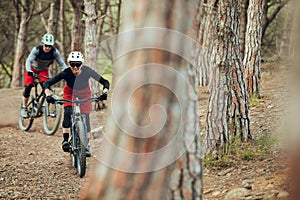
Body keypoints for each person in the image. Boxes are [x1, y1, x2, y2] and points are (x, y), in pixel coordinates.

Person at [43, 51, 110, 156]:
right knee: (68, 112)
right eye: (72, 64)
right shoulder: (66, 72)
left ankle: (86, 146)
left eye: (78, 64)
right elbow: (47, 83)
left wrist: (105, 92)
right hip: (70, 92)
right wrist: (48, 94)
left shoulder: (87, 71)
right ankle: (65, 140)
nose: (75, 67)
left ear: (81, 64)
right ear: (69, 64)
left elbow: (105, 82)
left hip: (85, 93)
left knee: (86, 117)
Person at [21, 33, 68, 118]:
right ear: (43, 44)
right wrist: (29, 70)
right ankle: (24, 107)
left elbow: (62, 64)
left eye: (50, 46)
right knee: (28, 86)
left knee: (46, 87)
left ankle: (42, 106)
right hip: (32, 69)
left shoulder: (54, 52)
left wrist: (67, 73)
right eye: (46, 45)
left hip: (43, 70)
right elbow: (28, 61)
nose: (47, 48)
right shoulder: (36, 49)